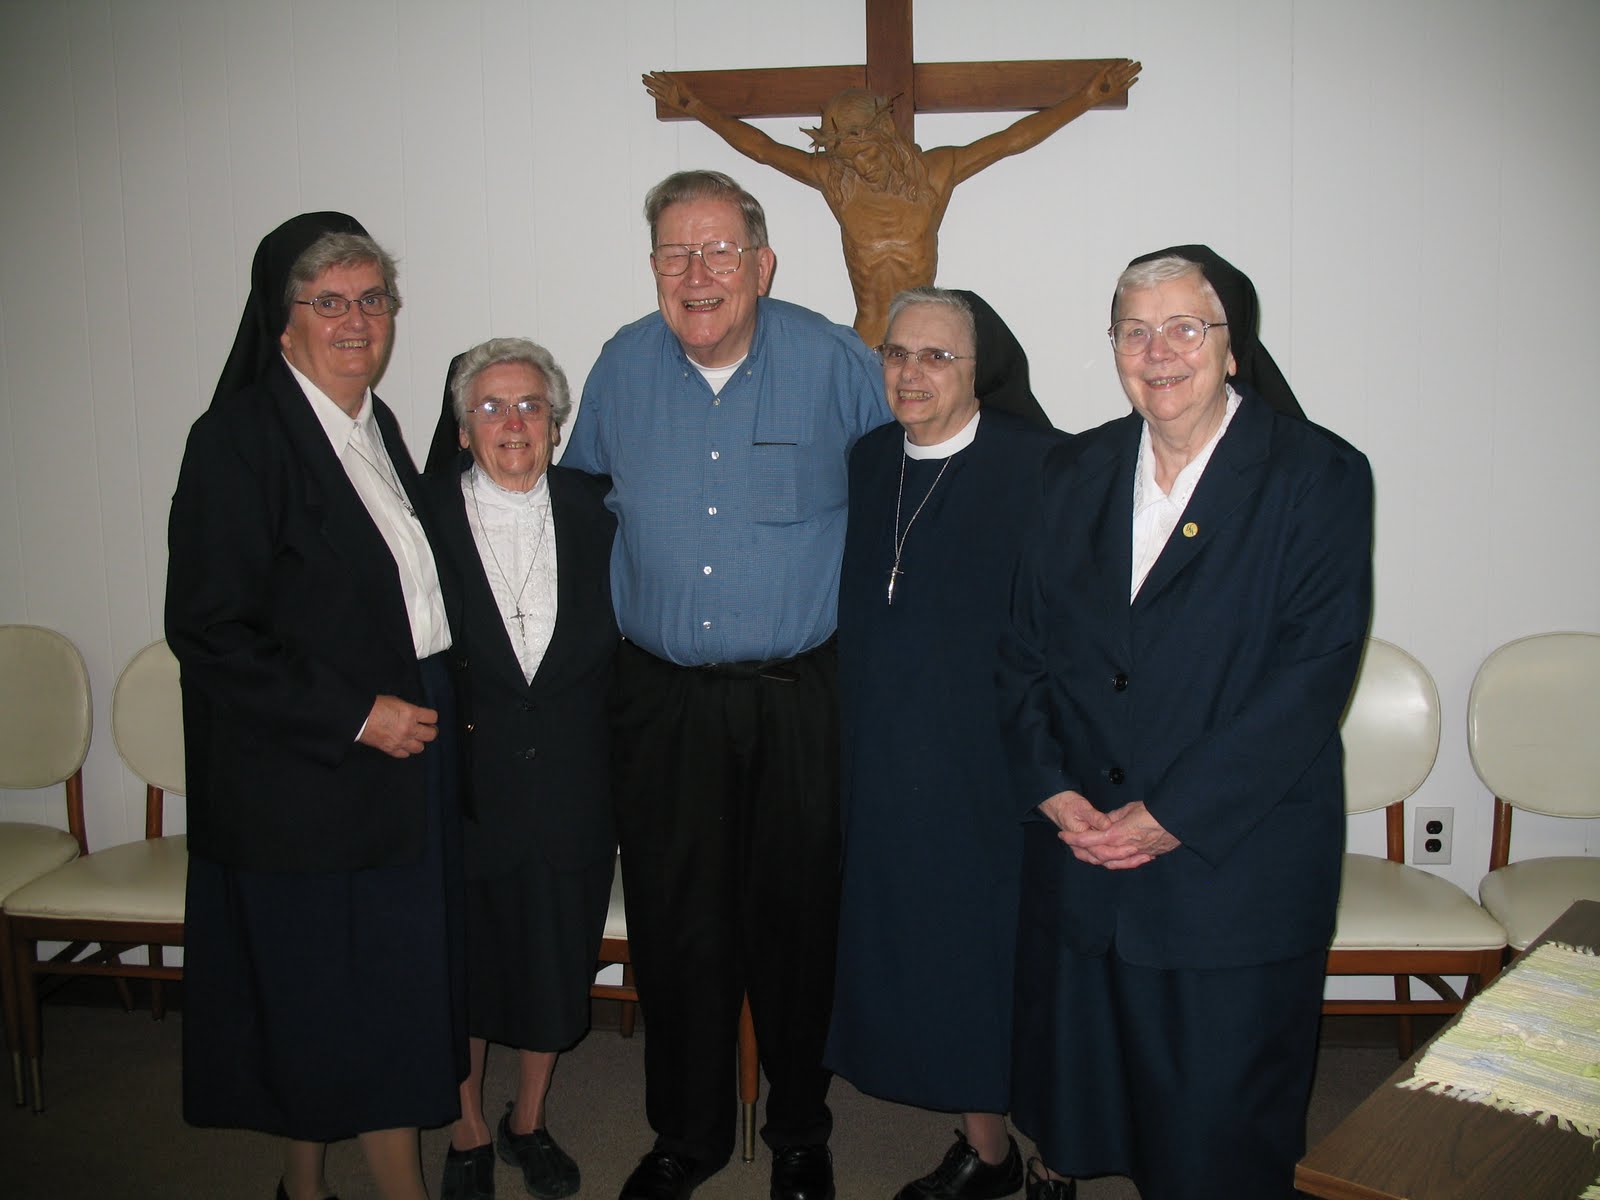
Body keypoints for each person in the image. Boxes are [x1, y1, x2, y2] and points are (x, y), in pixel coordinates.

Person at [998, 246, 1372, 1200]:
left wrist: (1176, 813)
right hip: (1084, 858)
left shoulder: (1317, 476)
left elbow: (1308, 680)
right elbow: (1023, 652)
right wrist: (1049, 786)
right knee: (1083, 1105)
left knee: (1219, 1139)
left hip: (1228, 867)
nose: (1157, 351)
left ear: (1231, 346)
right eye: (1134, 330)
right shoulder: (1070, 470)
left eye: (1183, 328)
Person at [559, 168, 890, 1200]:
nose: (696, 273)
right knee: (676, 925)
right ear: (653, 264)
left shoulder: (838, 365)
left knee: (798, 927)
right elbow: (574, 512)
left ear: (761, 263)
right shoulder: (620, 365)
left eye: (717, 251)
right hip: (660, 700)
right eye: (673, 252)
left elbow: (902, 511)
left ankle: (798, 1131)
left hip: (799, 696)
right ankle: (685, 1137)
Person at [168, 212, 463, 1200]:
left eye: (371, 298)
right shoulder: (239, 440)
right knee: (359, 1003)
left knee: (338, 1001)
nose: (354, 319)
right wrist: (354, 714)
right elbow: (209, 630)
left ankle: (303, 1183)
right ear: (281, 320)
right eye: (327, 301)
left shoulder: (371, 424)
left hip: (395, 760)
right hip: (311, 776)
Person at [827, 287, 1063, 1200]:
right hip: (890, 759)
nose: (912, 374)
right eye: (897, 354)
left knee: (1013, 967)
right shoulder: (868, 458)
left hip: (997, 768)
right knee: (939, 960)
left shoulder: (1041, 465)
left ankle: (1048, 1161)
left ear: (979, 370)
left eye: (937, 357)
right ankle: (989, 1152)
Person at [423, 339, 619, 1200]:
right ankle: (466, 1128)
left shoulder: (599, 509)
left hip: (576, 785)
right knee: (462, 974)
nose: (514, 424)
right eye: (492, 408)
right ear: (463, 428)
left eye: (531, 406)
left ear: (555, 421)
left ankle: (527, 1120)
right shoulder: (421, 520)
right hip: (463, 788)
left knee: (552, 967)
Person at [642, 63, 1139, 345]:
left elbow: (1011, 140)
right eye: (846, 154)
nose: (859, 163)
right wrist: (696, 108)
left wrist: (1086, 98)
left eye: (864, 148)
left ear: (885, 133)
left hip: (923, 340)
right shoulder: (839, 185)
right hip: (864, 341)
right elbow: (763, 150)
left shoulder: (933, 175)